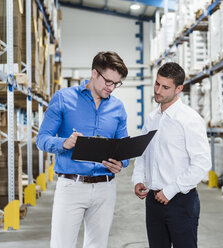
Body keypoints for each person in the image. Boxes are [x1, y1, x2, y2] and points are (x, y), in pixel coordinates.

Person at [36, 51, 129, 248]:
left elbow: (123, 146)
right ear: (94, 73)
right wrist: (64, 143)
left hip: (105, 187)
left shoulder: (118, 108)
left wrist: (121, 162)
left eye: (116, 84)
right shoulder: (63, 98)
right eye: (108, 81)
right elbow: (42, 139)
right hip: (71, 186)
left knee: (98, 245)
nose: (111, 88)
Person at [132, 62, 212, 248]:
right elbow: (142, 154)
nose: (158, 90)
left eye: (165, 87)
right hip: (153, 202)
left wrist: (170, 190)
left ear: (179, 89)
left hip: (180, 202)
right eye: (157, 84)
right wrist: (138, 179)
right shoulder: (152, 119)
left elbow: (201, 163)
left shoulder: (189, 120)